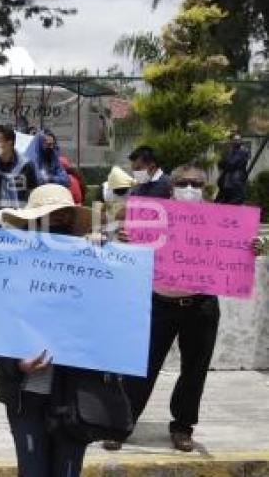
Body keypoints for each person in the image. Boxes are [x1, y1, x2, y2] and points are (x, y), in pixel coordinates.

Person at [105, 164, 260, 453]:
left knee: (194, 370)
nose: (190, 189)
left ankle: (182, 426)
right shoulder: (150, 216)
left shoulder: (223, 221)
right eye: (183, 183)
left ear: (206, 189)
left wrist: (252, 246)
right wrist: (123, 240)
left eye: (197, 184)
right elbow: (123, 249)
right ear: (171, 186)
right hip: (158, 304)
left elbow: (239, 249)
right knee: (142, 367)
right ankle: (121, 424)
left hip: (201, 306)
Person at [0, 184, 105, 477]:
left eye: (63, 218)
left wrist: (110, 259)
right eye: (48, 218)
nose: (56, 224)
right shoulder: (6, 264)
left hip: (76, 395)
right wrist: (15, 364)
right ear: (31, 222)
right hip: (26, 395)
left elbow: (118, 318)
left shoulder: (93, 260)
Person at [216, 133, 249, 205]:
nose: (237, 141)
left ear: (241, 141)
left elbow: (232, 163)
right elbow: (220, 163)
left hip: (236, 179)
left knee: (236, 198)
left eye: (238, 140)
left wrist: (225, 163)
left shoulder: (243, 151)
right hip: (227, 179)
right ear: (231, 141)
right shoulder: (229, 151)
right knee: (223, 198)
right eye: (235, 140)